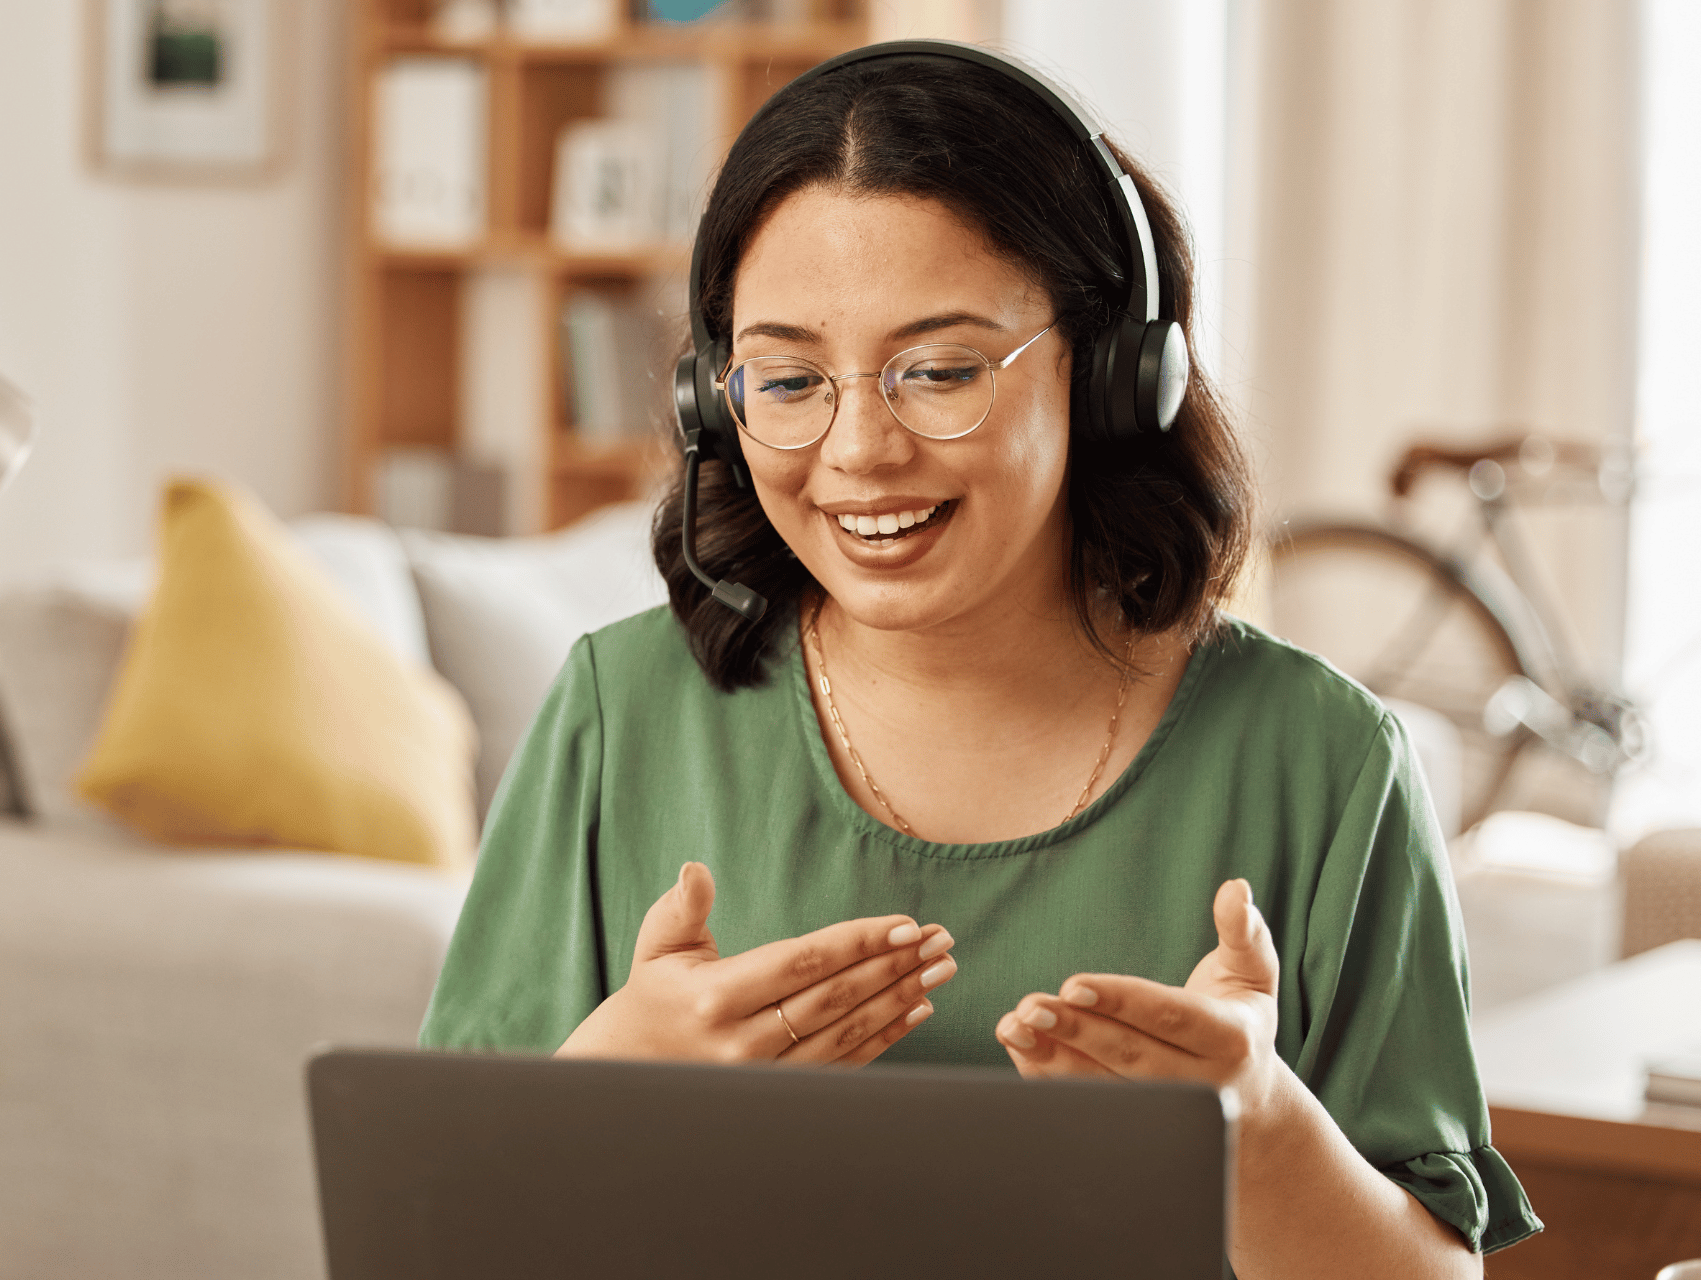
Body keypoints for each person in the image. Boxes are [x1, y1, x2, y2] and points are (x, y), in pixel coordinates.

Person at [420, 42, 1541, 1279]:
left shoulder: (1321, 759)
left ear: (1116, 373)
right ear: (713, 401)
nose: (855, 451)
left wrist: (1256, 1124)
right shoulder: (616, 714)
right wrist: (609, 1087)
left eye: (941, 370)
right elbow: (428, 1240)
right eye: (789, 380)